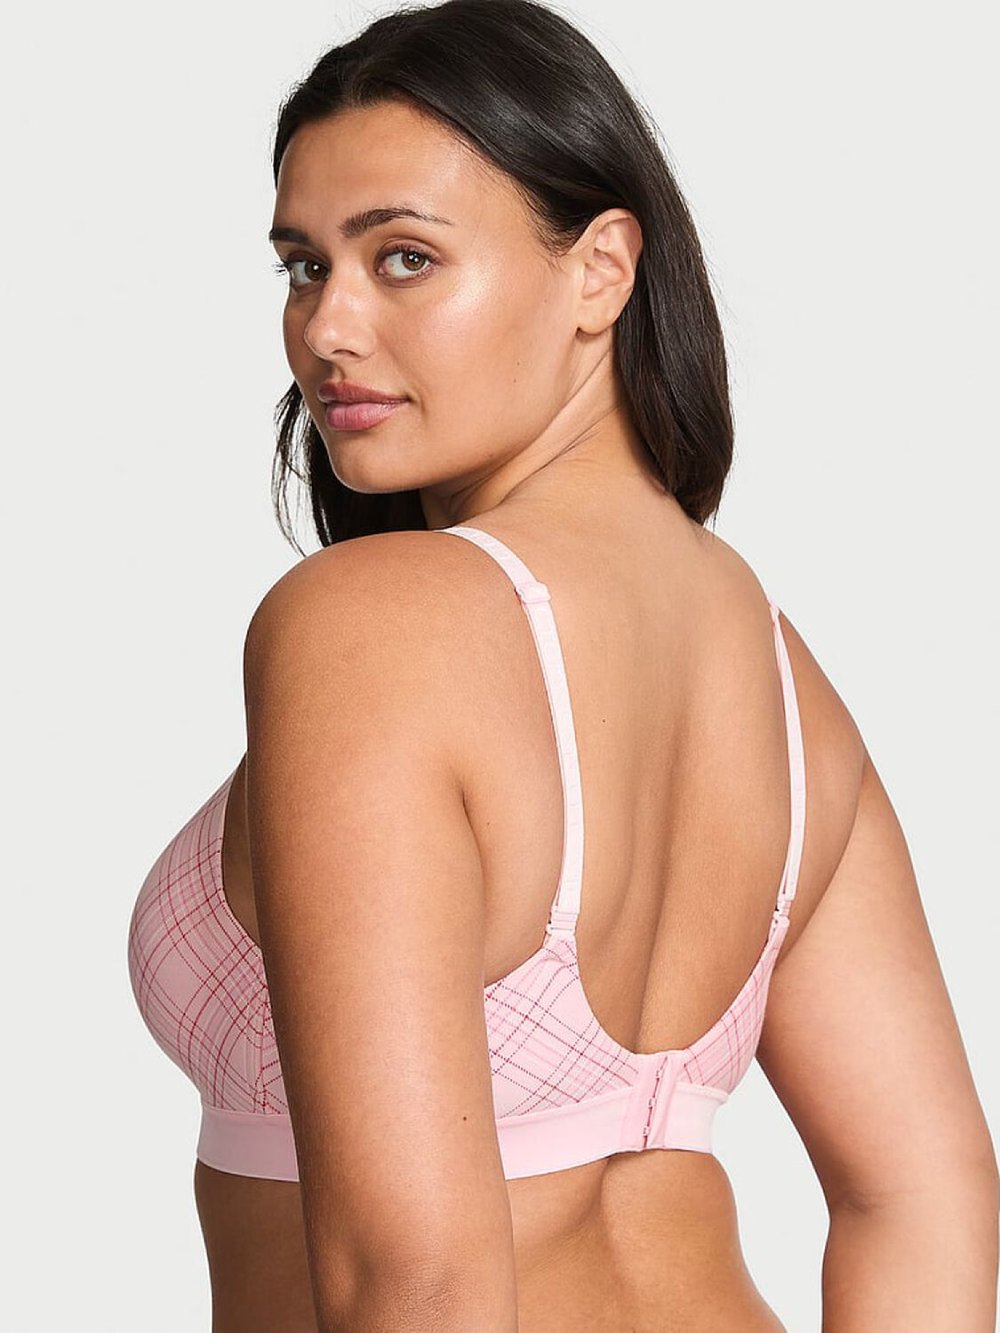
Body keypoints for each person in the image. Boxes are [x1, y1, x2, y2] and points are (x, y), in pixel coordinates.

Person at [126, 1, 1000, 1328]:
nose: (329, 329)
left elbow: (417, 1281)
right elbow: (927, 1197)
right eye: (304, 267)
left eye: (404, 258)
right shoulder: (775, 675)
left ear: (600, 271)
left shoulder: (368, 624)